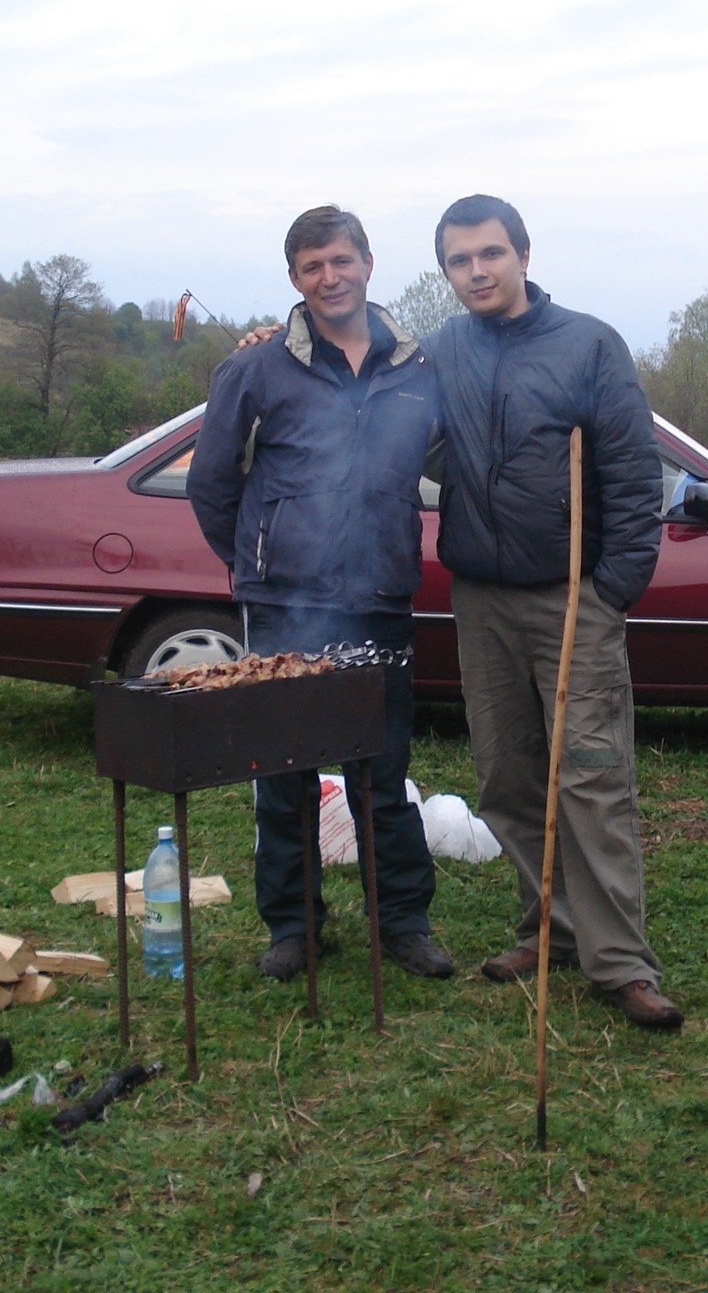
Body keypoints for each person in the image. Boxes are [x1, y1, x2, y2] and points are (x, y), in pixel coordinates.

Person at [424, 194, 681, 1030]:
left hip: (574, 598)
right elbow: (366, 390)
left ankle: (620, 964)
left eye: (490, 254)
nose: (477, 271)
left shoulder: (588, 345)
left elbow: (637, 480)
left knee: (593, 778)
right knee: (508, 776)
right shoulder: (441, 354)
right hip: (481, 598)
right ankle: (554, 926)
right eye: (460, 261)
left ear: (523, 256)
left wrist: (611, 589)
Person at [186, 205, 453, 982]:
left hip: (379, 602)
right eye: (311, 267)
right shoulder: (256, 368)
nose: (329, 277)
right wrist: (260, 565)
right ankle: (294, 927)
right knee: (283, 771)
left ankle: (402, 921)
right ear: (295, 279)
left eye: (340, 261)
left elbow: (450, 464)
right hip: (283, 608)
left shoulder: (416, 369)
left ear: (368, 262)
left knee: (383, 772)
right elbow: (211, 485)